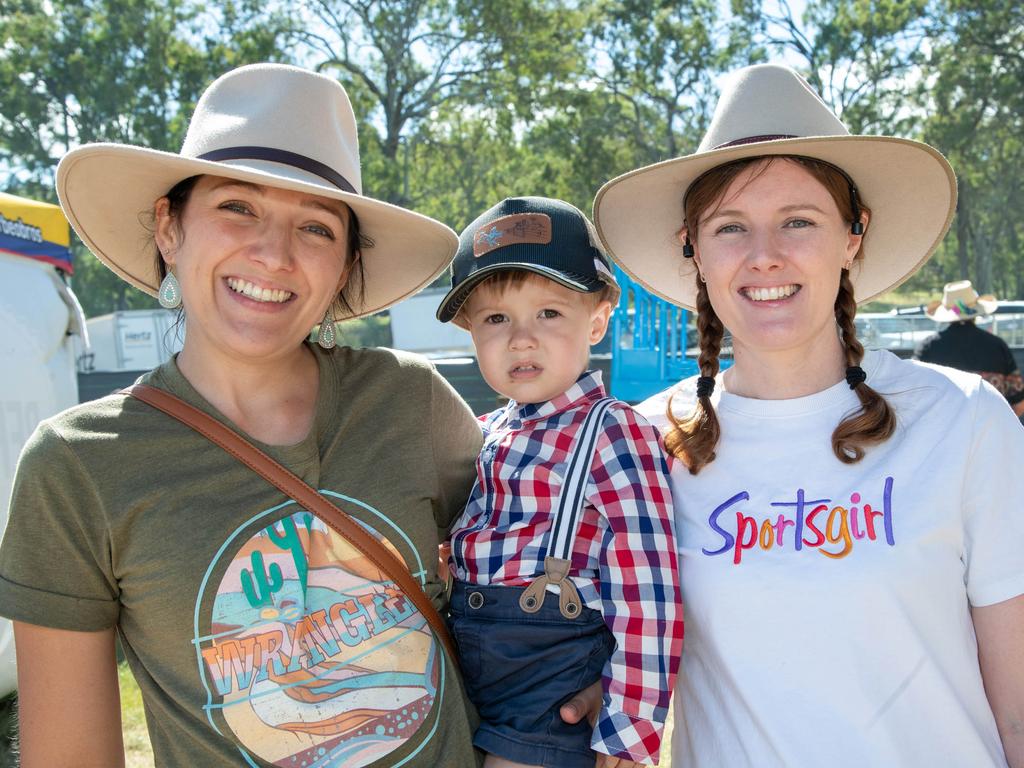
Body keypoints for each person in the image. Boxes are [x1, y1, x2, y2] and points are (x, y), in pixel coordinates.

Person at [0, 63, 488, 767]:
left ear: (345, 262)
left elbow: (524, 564)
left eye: (316, 228)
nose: (274, 254)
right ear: (170, 230)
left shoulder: (413, 402)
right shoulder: (77, 467)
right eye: (237, 207)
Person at [594, 63, 1024, 767]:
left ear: (853, 235)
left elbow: (1017, 710)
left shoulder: (964, 419)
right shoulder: (642, 443)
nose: (765, 257)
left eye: (799, 221)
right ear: (692, 250)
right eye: (730, 227)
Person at [434, 197, 683, 768]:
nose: (521, 339)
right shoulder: (481, 433)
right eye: (496, 319)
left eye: (549, 313)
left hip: (550, 678)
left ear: (596, 320)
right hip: (470, 669)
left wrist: (630, 725)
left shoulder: (613, 432)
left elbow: (649, 589)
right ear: (471, 329)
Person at [915, 279, 1024, 417]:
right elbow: (1019, 404)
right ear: (975, 312)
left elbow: (914, 397)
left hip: (943, 434)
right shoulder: (998, 346)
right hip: (988, 435)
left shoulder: (927, 347)